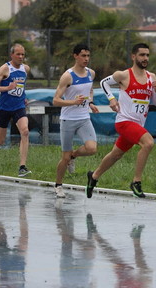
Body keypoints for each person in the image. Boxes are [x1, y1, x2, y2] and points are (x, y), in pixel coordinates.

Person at [86, 43, 156, 199]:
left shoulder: (151, 77)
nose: (145, 58)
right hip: (125, 121)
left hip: (138, 125)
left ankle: (94, 176)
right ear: (133, 56)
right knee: (148, 143)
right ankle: (136, 181)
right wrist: (112, 99)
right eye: (142, 55)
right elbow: (103, 83)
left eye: (147, 55)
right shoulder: (124, 75)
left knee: (115, 154)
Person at [53, 44, 99, 198]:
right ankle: (58, 185)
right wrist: (73, 102)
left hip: (84, 118)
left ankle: (74, 156)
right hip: (68, 120)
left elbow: (90, 90)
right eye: (83, 56)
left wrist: (90, 103)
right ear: (75, 56)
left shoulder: (91, 74)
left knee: (92, 148)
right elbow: (56, 100)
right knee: (63, 158)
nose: (86, 59)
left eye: (88, 56)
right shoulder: (68, 76)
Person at [0, 43, 31, 177]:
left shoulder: (25, 69)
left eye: (23, 54)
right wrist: (7, 88)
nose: (21, 57)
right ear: (11, 55)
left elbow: (21, 86)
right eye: (18, 54)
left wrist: (23, 96)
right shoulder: (4, 69)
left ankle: (22, 167)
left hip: (19, 107)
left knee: (25, 132)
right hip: (4, 108)